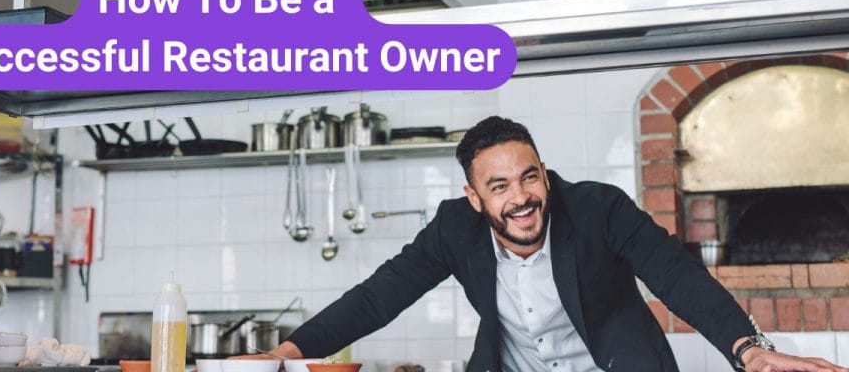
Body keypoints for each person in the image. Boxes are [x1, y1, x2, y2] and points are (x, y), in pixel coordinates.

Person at [239, 116, 848, 372]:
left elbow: (676, 276)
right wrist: (288, 352)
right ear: (475, 198)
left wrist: (748, 349)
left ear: (545, 174)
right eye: (499, 186)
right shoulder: (453, 228)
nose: (522, 197)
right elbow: (378, 298)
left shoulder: (598, 208)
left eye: (530, 177)